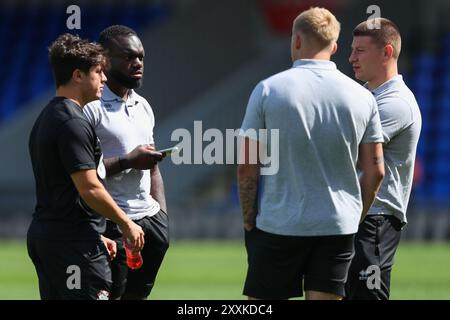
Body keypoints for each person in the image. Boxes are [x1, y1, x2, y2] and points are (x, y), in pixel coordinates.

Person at [238, 7, 385, 300]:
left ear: (295, 41)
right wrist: (355, 215)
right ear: (334, 46)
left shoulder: (268, 90)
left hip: (280, 224)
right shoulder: (363, 96)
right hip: (337, 224)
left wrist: (249, 217)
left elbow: (246, 166)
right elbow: (376, 170)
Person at [27, 33, 145, 300]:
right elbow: (89, 188)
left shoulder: (48, 116)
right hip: (71, 244)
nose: (104, 79)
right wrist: (126, 224)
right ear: (78, 75)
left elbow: (62, 191)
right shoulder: (72, 122)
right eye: (98, 72)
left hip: (54, 237)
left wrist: (92, 234)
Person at [83, 25, 169, 300]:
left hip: (149, 224)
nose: (138, 63)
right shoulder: (90, 107)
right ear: (105, 60)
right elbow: (82, 171)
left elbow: (153, 166)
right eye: (129, 57)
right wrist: (128, 160)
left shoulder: (143, 105)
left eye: (141, 57)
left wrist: (161, 217)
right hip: (111, 225)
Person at [346, 18, 422, 300]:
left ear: (387, 53)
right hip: (356, 218)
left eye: (360, 51)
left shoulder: (395, 103)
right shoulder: (367, 97)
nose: (351, 57)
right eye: (352, 50)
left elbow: (347, 154)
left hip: (374, 221)